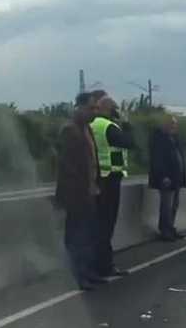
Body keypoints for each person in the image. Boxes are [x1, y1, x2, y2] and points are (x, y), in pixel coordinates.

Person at [54, 92, 107, 291]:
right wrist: (85, 187)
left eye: (97, 108)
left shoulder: (86, 129)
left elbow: (92, 161)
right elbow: (69, 167)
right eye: (92, 108)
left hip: (89, 192)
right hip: (76, 194)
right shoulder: (70, 130)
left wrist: (95, 184)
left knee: (87, 236)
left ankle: (87, 273)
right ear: (81, 107)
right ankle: (77, 276)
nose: (95, 112)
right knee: (76, 237)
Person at [89, 94, 136, 278]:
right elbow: (130, 143)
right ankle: (104, 266)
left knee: (97, 225)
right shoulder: (109, 127)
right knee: (106, 226)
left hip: (96, 178)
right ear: (113, 109)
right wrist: (126, 123)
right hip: (110, 179)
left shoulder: (92, 125)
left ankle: (95, 264)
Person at [148, 115, 186, 242]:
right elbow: (157, 160)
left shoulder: (174, 139)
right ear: (164, 124)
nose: (173, 126)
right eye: (171, 123)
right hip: (166, 178)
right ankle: (165, 230)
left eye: (175, 124)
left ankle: (170, 228)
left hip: (177, 178)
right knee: (166, 205)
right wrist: (163, 176)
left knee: (174, 205)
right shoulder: (159, 139)